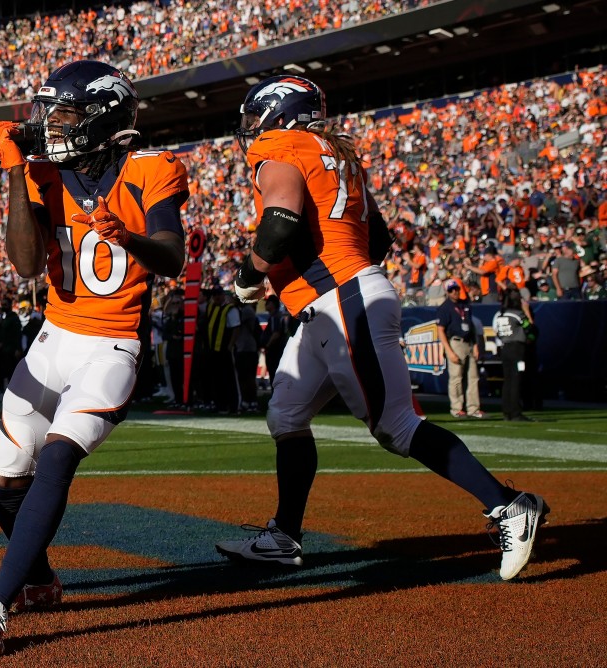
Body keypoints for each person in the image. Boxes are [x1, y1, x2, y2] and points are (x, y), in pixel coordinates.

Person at [213, 76, 547, 584]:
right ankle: (284, 536)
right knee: (286, 414)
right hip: (334, 301)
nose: (250, 130)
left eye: (254, 117)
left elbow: (279, 223)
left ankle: (507, 507)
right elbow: (382, 238)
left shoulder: (279, 145)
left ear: (278, 114)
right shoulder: (335, 154)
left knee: (396, 426)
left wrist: (249, 276)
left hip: (342, 299)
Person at [0, 60, 188, 657]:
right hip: (53, 338)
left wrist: (127, 237)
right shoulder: (44, 173)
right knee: (7, 478)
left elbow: (171, 257)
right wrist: (15, 172)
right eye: (49, 113)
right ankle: (38, 576)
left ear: (104, 118)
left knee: (59, 457)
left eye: (64, 113)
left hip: (113, 343)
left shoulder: (150, 171)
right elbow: (23, 263)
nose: (50, 125)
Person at [437, 279, 483, 418]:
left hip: (468, 341)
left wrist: (475, 345)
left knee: (473, 377)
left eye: (456, 289)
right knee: (456, 377)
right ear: (447, 291)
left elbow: (472, 327)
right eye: (451, 290)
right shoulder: (444, 308)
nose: (455, 292)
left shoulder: (465, 305)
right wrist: (448, 351)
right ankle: (456, 408)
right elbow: (440, 330)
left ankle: (473, 408)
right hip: (455, 342)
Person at [492, 288, 531, 422]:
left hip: (505, 348)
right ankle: (515, 412)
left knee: (507, 380)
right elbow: (529, 327)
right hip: (517, 348)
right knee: (516, 379)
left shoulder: (500, 315)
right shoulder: (517, 315)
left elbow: (497, 332)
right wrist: (526, 312)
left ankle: (507, 411)